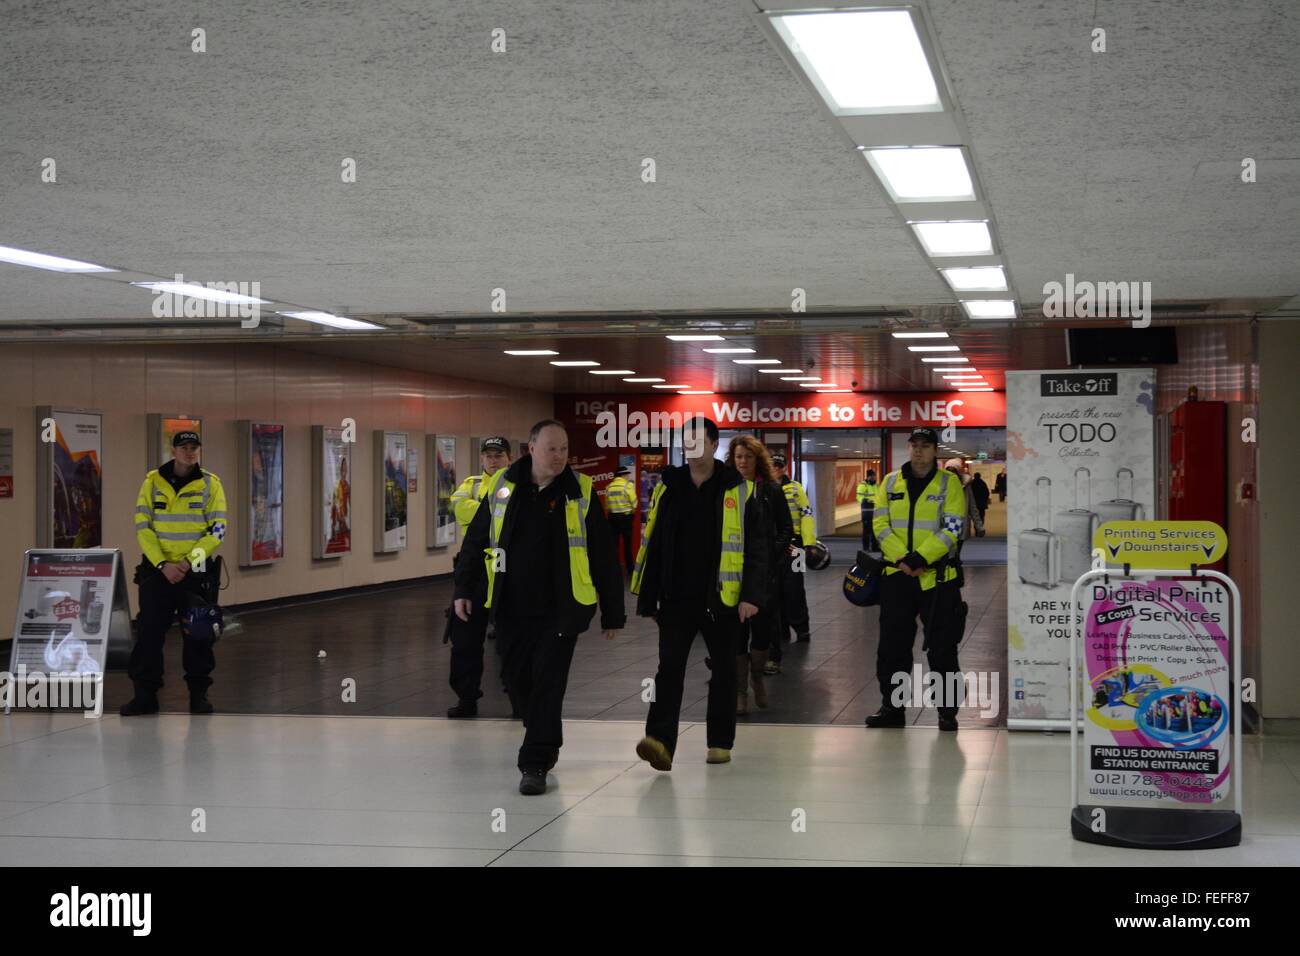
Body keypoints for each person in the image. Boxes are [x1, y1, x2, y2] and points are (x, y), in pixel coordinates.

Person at [453, 420, 624, 795]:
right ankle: (540, 732)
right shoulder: (503, 485)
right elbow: (477, 539)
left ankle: (535, 761)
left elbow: (601, 552)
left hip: (562, 608)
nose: (559, 456)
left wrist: (614, 610)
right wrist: (463, 588)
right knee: (517, 682)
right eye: (551, 448)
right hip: (511, 606)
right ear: (531, 448)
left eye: (564, 449)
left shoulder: (579, 491)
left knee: (549, 682)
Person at [631, 417, 769, 770]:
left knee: (724, 670)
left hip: (722, 598)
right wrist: (648, 595)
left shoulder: (738, 489)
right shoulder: (669, 486)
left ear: (712, 445)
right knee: (669, 668)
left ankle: (720, 742)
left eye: (699, 442)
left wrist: (751, 595)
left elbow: (756, 546)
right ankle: (660, 741)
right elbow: (654, 544)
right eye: (686, 443)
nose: (692, 449)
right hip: (675, 598)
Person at [866, 427, 967, 732]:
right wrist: (902, 558)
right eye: (914, 445)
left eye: (925, 446)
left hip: (937, 579)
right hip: (897, 578)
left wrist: (922, 557)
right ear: (908, 448)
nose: (919, 451)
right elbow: (880, 523)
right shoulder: (889, 481)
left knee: (942, 648)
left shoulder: (950, 483)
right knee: (893, 647)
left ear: (935, 450)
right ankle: (892, 709)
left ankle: (947, 712)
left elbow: (952, 528)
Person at [122, 431, 228, 716]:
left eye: (194, 448)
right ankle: (145, 695)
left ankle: (198, 695)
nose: (189, 452)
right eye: (184, 447)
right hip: (158, 573)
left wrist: (187, 562)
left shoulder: (210, 484)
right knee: (149, 633)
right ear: (173, 450)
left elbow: (217, 529)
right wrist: (162, 564)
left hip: (194, 573)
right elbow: (143, 527)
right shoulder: (152, 482)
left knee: (198, 634)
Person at [444, 436, 512, 718]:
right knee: (465, 640)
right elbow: (459, 509)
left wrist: (484, 510)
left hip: (507, 571)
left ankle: (518, 697)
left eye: (498, 455)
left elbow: (501, 516)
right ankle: (466, 697)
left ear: (509, 457)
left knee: (512, 640)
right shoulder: (471, 484)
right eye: (488, 455)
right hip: (474, 572)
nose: (493, 460)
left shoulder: (516, 484)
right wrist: (492, 510)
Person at [725, 436, 792, 715]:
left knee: (762, 631)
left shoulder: (771, 491)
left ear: (757, 459)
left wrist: (771, 556)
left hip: (765, 575)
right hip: (731, 574)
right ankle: (740, 691)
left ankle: (757, 678)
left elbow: (786, 528)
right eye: (739, 456)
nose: (743, 462)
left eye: (748, 457)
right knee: (738, 633)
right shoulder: (726, 490)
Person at [768, 453, 815, 676]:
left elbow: (806, 514)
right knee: (774, 590)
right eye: (773, 466)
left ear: (785, 467)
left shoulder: (796, 488)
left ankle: (802, 629)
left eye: (779, 465)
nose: (776, 469)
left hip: (795, 547)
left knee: (795, 588)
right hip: (774, 548)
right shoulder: (764, 488)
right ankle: (781, 630)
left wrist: (808, 543)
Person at [604, 465, 637, 580]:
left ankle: (613, 569)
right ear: (622, 475)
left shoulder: (608, 487)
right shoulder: (628, 485)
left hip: (612, 519)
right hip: (626, 519)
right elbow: (634, 503)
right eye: (627, 474)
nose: (628, 476)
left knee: (614, 545)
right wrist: (630, 511)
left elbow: (607, 505)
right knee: (628, 545)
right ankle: (630, 569)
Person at [856, 469, 879, 551]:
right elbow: (859, 496)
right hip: (867, 511)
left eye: (874, 476)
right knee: (866, 531)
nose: (873, 478)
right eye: (872, 476)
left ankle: (875, 547)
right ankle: (865, 547)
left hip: (876, 511)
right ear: (868, 476)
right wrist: (864, 500)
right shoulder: (863, 485)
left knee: (875, 530)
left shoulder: (877, 485)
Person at [970, 472, 990, 537]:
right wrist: (985, 499)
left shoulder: (971, 484)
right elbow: (987, 492)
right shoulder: (983, 483)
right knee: (981, 516)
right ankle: (980, 527)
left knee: (975, 516)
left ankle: (976, 529)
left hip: (974, 503)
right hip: (981, 503)